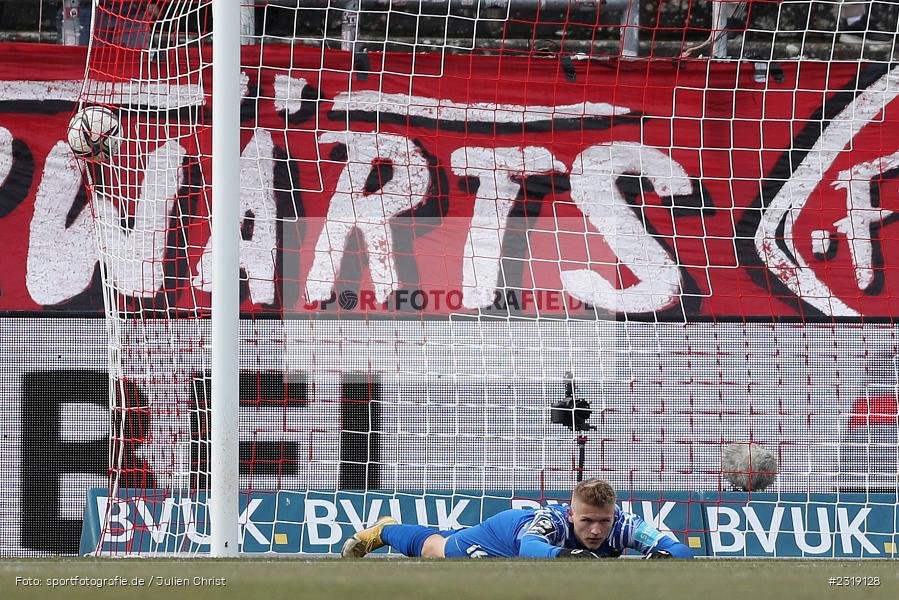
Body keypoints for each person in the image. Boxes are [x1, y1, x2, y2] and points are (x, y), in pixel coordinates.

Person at [341, 478, 693, 559]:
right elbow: (529, 548)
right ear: (571, 515)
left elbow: (679, 550)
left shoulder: (623, 524)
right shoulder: (549, 522)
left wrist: (666, 555)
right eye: (586, 522)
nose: (597, 530)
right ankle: (386, 530)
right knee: (439, 548)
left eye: (603, 521)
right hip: (505, 533)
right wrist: (568, 555)